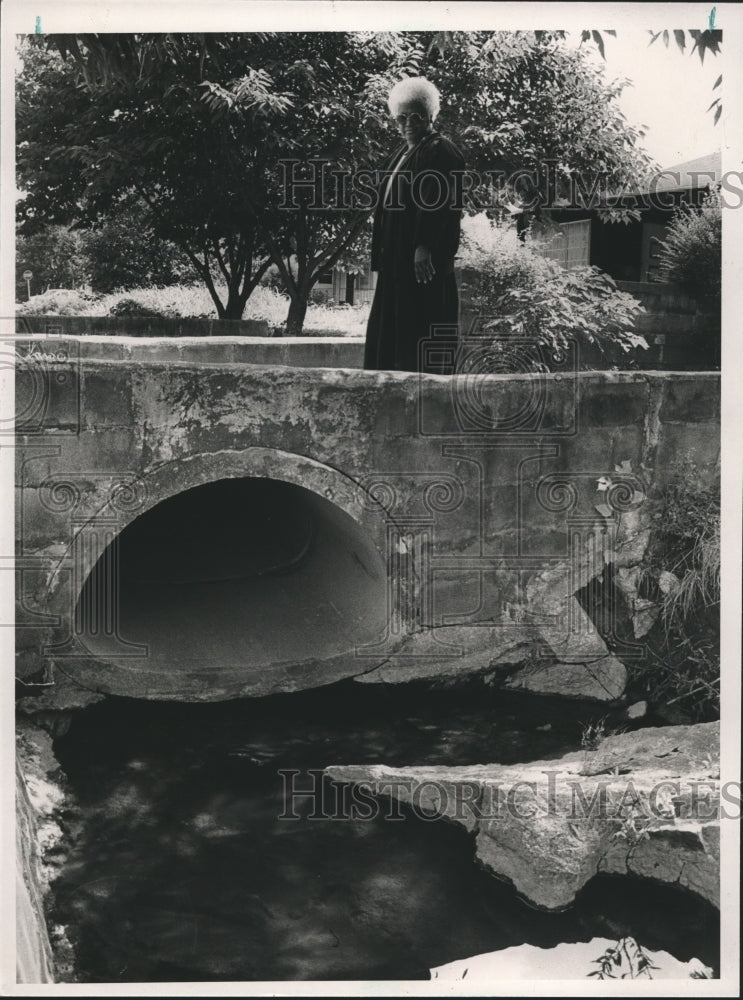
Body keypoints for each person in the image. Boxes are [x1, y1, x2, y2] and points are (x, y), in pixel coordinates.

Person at [363, 77, 466, 374]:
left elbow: (439, 203)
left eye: (416, 115)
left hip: (421, 267)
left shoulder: (441, 150)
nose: (408, 123)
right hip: (397, 265)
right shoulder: (403, 153)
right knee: (393, 344)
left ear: (431, 115)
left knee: (418, 339)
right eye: (402, 117)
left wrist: (424, 245)